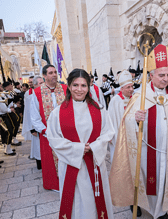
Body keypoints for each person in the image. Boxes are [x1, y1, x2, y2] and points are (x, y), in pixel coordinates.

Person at [110, 44, 168, 219]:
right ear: (151, 75)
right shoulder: (140, 95)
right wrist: (135, 118)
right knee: (148, 179)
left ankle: (161, 210)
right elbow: (127, 122)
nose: (166, 79)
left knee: (165, 178)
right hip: (146, 150)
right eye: (161, 75)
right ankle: (146, 206)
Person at [46, 69, 115, 219]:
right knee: (76, 202)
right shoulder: (57, 113)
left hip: (95, 163)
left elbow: (108, 132)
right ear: (69, 87)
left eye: (83, 85)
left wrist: (94, 146)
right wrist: (77, 149)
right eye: (75, 85)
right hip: (71, 164)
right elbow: (53, 138)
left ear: (88, 87)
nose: (79, 89)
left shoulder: (100, 110)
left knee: (95, 200)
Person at [31, 64, 67, 191]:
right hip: (48, 134)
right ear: (44, 76)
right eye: (50, 73)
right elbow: (34, 117)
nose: (54, 75)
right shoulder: (36, 93)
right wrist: (45, 131)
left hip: (66, 132)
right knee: (50, 160)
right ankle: (55, 184)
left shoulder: (65, 89)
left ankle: (69, 181)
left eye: (55, 72)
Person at [108, 70, 134, 162]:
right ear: (121, 89)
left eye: (132, 86)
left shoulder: (134, 99)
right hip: (119, 135)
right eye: (128, 87)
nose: (131, 89)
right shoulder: (115, 101)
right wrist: (110, 135)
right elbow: (109, 120)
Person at [22, 76, 44, 169]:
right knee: (37, 146)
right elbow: (28, 113)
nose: (43, 85)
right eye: (40, 83)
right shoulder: (30, 97)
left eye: (43, 82)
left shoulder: (45, 94)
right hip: (35, 127)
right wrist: (32, 129)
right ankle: (40, 164)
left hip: (44, 125)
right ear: (35, 85)